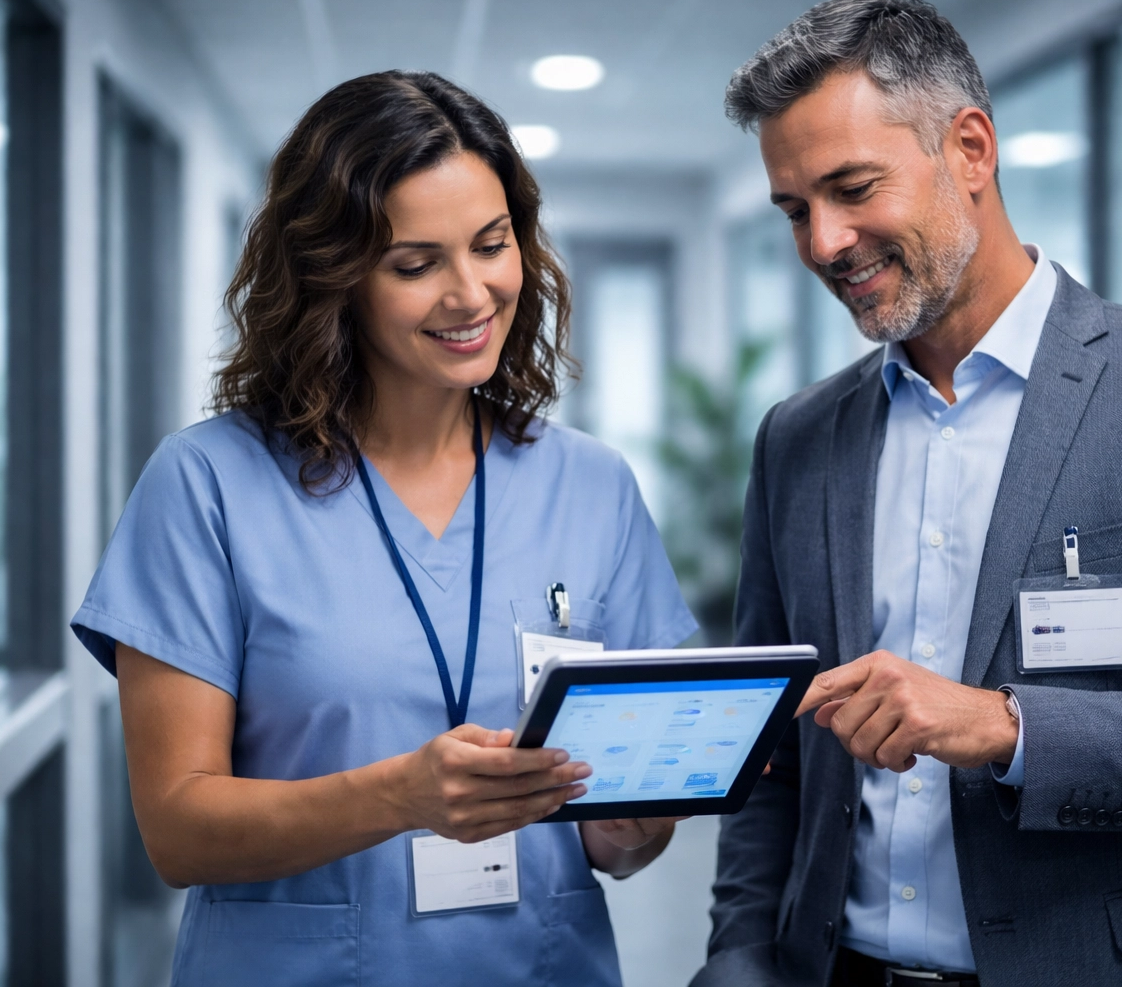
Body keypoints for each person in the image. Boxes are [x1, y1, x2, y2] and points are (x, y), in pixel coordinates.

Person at [693, 0, 1122, 987]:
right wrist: (743, 957)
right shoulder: (799, 439)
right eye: (797, 209)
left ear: (969, 149)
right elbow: (769, 751)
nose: (824, 243)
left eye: (851, 187)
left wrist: (1006, 727)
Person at [72, 70, 697, 986]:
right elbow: (177, 829)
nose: (471, 293)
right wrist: (400, 796)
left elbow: (619, 840)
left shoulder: (591, 484)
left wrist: (639, 818)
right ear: (333, 276)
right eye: (416, 264)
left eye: (492, 245)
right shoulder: (208, 484)